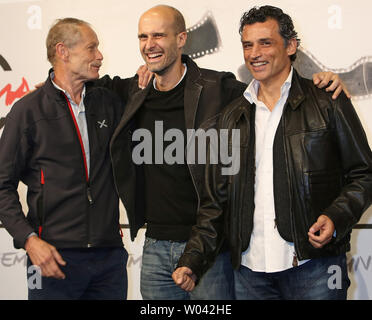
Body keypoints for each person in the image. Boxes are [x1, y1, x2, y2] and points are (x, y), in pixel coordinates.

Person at [99, 5, 348, 300]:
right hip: (156, 245)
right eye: (143, 36)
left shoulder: (220, 89)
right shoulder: (133, 91)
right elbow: (85, 88)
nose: (149, 44)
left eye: (158, 35)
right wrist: (53, 87)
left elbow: (276, 85)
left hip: (212, 246)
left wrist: (320, 82)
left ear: (180, 39)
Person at [172, 5, 372, 299]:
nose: (255, 53)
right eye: (247, 45)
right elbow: (216, 202)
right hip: (250, 274)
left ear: (291, 46)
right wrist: (193, 259)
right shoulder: (231, 117)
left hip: (315, 267)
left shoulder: (327, 102)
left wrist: (336, 217)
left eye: (265, 42)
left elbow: (364, 173)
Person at [0, 18, 128, 300]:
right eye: (91, 48)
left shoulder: (108, 102)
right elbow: (1, 186)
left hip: (109, 259)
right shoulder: (27, 111)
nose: (100, 56)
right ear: (63, 51)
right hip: (51, 259)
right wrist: (29, 241)